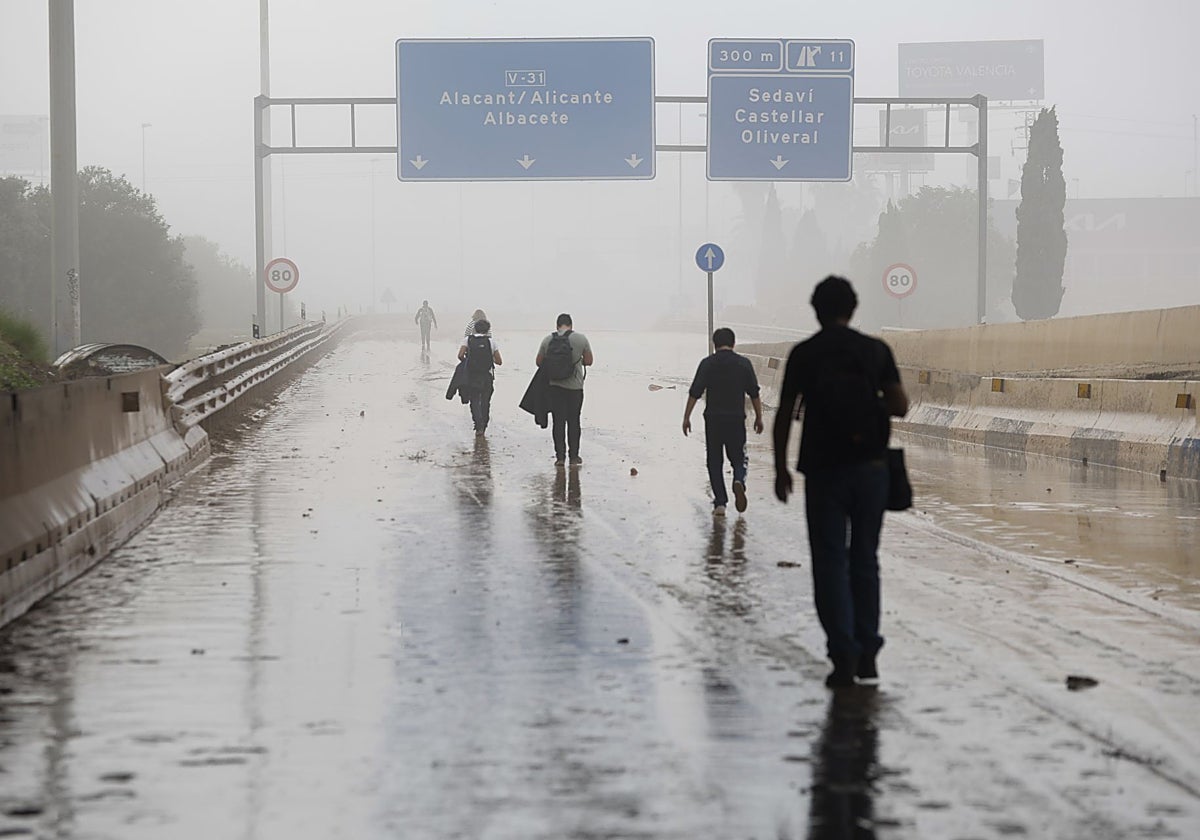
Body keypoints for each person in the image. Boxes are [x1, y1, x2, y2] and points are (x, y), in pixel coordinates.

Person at [773, 276, 909, 689]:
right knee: (865, 558)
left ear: (815, 310)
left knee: (830, 561)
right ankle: (869, 651)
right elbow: (901, 406)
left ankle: (843, 653)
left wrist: (780, 468)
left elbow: (783, 415)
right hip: (871, 468)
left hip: (823, 469)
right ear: (853, 308)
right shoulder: (875, 350)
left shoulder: (804, 354)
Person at [682, 327, 765, 517]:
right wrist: (759, 417)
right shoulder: (743, 364)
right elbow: (754, 393)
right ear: (733, 343)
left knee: (714, 461)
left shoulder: (707, 364)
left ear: (714, 344)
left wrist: (686, 417)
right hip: (736, 419)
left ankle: (720, 503)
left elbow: (695, 392)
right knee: (739, 458)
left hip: (713, 419)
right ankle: (738, 480)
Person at [535, 313, 593, 467]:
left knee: (558, 421)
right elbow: (589, 361)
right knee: (574, 421)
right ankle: (574, 457)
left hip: (555, 387)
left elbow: (538, 362)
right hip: (575, 388)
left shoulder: (548, 340)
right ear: (571, 325)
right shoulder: (581, 339)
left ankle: (560, 457)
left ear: (557, 326)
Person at [458, 318, 502, 437]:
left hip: (472, 376)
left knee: (474, 400)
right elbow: (499, 361)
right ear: (487, 330)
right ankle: (485, 423)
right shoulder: (491, 342)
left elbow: (460, 355)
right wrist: (489, 358)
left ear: (475, 329)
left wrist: (468, 362)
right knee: (485, 401)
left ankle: (478, 426)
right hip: (487, 376)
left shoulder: (467, 340)